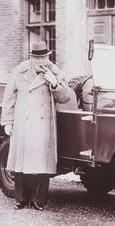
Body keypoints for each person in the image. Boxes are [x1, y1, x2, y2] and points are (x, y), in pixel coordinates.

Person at [0, 41, 71, 210]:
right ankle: (21, 198)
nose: (40, 62)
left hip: (43, 124)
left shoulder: (55, 72)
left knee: (41, 163)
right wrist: (7, 122)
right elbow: (9, 97)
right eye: (36, 58)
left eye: (43, 58)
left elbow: (66, 97)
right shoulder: (20, 71)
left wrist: (54, 84)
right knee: (21, 162)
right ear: (31, 58)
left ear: (48, 57)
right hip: (23, 123)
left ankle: (38, 200)